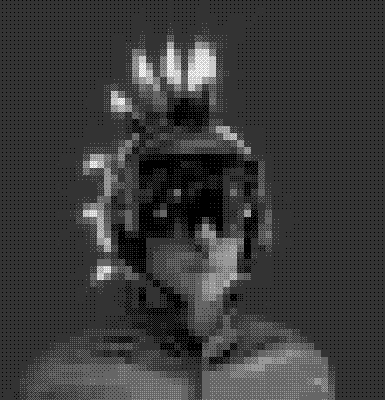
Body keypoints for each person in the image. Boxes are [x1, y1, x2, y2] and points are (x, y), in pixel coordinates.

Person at [21, 34, 334, 400]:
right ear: (130, 232)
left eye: (225, 208)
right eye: (174, 208)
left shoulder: (298, 373)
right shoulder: (69, 381)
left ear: (251, 229)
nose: (204, 237)